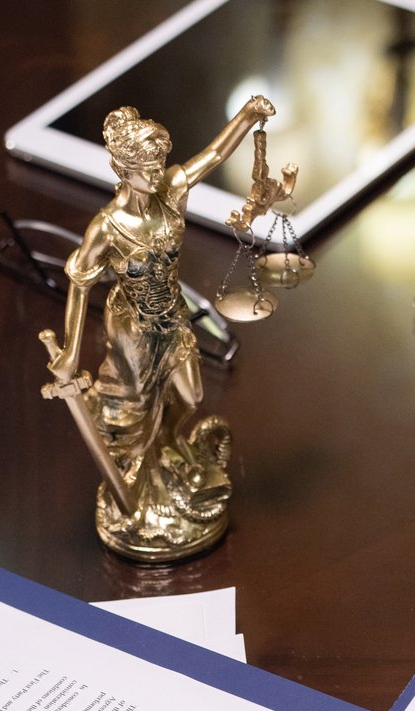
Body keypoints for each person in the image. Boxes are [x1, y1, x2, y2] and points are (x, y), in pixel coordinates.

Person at [43, 95, 275, 560]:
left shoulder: (171, 191)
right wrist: (70, 351)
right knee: (134, 406)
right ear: (121, 168)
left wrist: (247, 118)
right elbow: (78, 281)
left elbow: (212, 156)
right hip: (131, 329)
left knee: (189, 396)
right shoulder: (106, 228)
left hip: (171, 315)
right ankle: (144, 466)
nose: (155, 174)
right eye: (145, 168)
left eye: (158, 165)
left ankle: (165, 443)